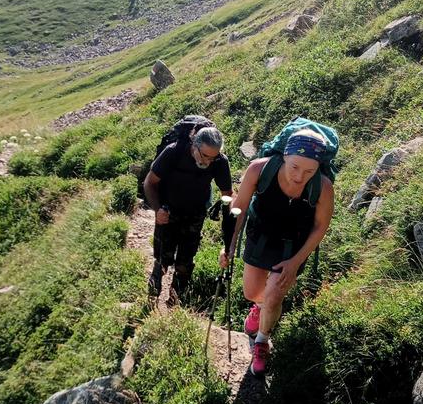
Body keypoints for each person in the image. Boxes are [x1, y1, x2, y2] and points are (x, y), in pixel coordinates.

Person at [222, 128, 334, 377]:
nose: (300, 177)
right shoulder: (259, 170)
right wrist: (228, 245)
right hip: (260, 237)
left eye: (309, 171)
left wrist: (295, 262)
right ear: (284, 156)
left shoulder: (322, 187)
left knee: (274, 295)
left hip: (293, 247)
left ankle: (262, 341)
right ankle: (259, 307)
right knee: (252, 292)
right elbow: (238, 208)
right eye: (295, 167)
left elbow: (320, 226)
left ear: (318, 168)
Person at [143, 124, 232, 303]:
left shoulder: (219, 161)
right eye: (205, 156)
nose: (208, 162)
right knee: (162, 257)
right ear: (194, 144)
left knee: (185, 260)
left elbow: (227, 196)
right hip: (168, 211)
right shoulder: (173, 152)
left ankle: (175, 300)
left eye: (212, 158)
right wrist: (158, 209)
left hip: (195, 213)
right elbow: (149, 182)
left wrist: (229, 232)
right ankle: (153, 293)